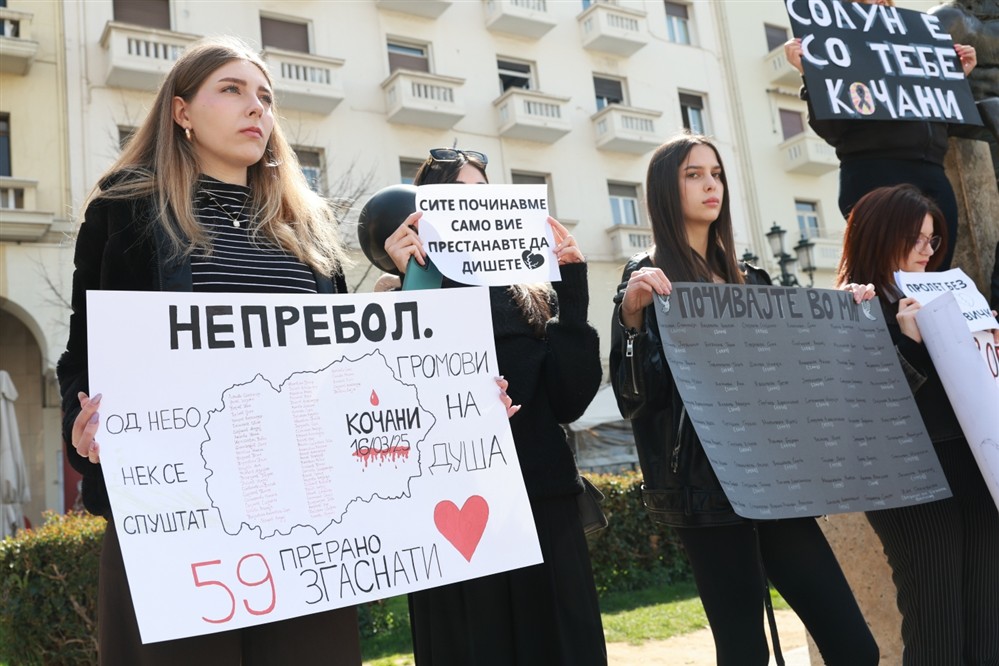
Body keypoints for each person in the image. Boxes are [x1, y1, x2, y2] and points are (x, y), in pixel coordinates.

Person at [56, 36, 361, 665]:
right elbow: (81, 355)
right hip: (173, 509)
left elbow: (346, 363)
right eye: (232, 89)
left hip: (304, 511)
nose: (257, 108)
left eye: (266, 97)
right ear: (181, 112)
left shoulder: (309, 227)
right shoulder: (126, 212)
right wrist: (80, 428)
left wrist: (449, 401)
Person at [610, 132, 879, 666]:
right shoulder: (647, 276)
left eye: (716, 173)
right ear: (667, 188)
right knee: (744, 652)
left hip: (775, 480)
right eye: (694, 174)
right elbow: (636, 398)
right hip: (705, 492)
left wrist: (839, 316)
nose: (711, 185)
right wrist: (633, 318)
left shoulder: (750, 278)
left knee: (855, 647)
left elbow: (792, 377)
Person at [381, 147, 607, 665]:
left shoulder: (530, 293)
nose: (476, 210)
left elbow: (571, 400)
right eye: (460, 198)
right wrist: (415, 282)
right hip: (450, 508)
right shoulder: (402, 294)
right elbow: (400, 398)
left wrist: (571, 285)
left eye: (485, 197)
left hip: (542, 504)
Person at [836, 183, 999, 666]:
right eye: (917, 237)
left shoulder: (952, 295)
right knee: (936, 619)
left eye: (933, 239)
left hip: (974, 461)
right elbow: (862, 409)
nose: (927, 250)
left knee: (987, 616)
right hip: (905, 478)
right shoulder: (851, 305)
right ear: (880, 234)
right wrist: (908, 343)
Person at [784, 0, 978, 270]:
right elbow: (832, 129)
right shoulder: (837, 45)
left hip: (934, 175)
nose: (875, 2)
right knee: (885, 273)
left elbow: (943, 121)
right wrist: (812, 76)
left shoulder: (915, 39)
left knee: (934, 271)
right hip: (875, 174)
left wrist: (955, 78)